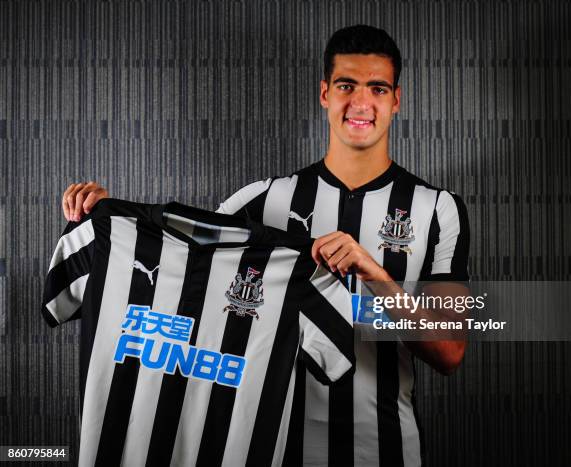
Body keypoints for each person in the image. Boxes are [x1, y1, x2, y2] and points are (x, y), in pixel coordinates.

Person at [61, 24, 469, 467]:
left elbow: (450, 350)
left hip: (386, 445)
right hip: (272, 445)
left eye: (377, 88)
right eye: (347, 85)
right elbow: (181, 261)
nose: (361, 103)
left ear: (396, 100)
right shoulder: (261, 199)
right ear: (325, 93)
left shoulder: (437, 209)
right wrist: (110, 215)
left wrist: (377, 276)